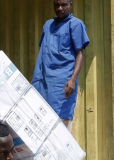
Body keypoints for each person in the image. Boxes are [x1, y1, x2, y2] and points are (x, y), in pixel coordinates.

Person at [32, 0, 89, 130]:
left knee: (60, 129)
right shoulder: (48, 25)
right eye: (56, 5)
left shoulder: (76, 25)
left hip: (62, 85)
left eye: (64, 5)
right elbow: (43, 54)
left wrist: (73, 79)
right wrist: (35, 80)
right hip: (42, 83)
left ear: (71, 4)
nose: (60, 8)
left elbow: (80, 53)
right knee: (41, 124)